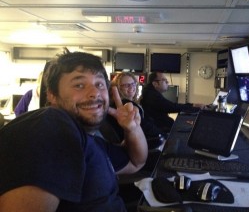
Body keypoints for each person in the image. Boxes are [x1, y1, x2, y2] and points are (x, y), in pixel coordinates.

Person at [0, 52, 148, 212]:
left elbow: (136, 162)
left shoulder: (88, 139)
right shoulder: (50, 125)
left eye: (99, 84)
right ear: (52, 95)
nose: (95, 92)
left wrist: (132, 128)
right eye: (79, 85)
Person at [140, 72, 206, 133]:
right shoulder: (152, 95)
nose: (167, 82)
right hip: (161, 131)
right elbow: (172, 107)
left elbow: (171, 106)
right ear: (155, 83)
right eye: (164, 80)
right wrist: (194, 106)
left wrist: (192, 106)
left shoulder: (150, 92)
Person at [108, 72, 166, 139]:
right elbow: (146, 127)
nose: (131, 87)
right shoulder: (126, 105)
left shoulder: (131, 102)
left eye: (133, 84)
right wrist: (164, 136)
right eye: (126, 85)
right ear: (118, 88)